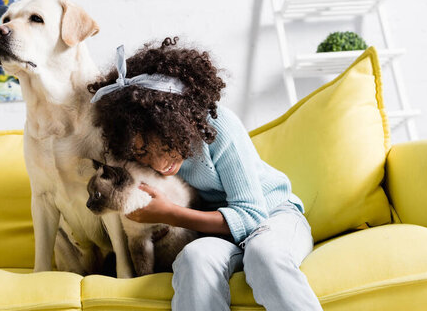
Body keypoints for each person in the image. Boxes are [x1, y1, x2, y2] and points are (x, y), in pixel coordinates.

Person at [87, 37, 323, 311]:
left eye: (162, 145)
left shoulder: (220, 127)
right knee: (193, 258)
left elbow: (251, 216)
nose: (157, 163)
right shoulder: (138, 155)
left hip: (273, 216)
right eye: (141, 153)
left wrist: (167, 213)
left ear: (177, 121)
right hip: (219, 235)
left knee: (263, 254)